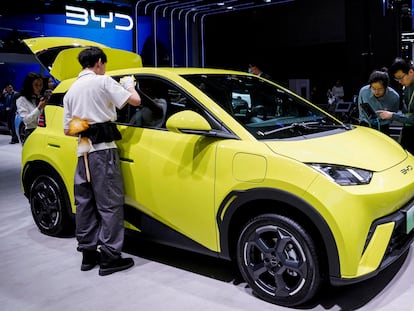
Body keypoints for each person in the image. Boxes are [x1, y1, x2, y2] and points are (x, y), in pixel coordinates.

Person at [63, 46, 141, 276]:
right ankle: (109, 258)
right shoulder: (102, 81)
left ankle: (88, 255)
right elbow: (134, 101)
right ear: (99, 62)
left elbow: (68, 130)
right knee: (109, 204)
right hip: (103, 151)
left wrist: (88, 126)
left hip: (83, 151)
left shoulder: (71, 91)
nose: (104, 68)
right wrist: (128, 84)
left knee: (85, 204)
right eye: (104, 64)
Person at [377, 57, 414, 154]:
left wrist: (392, 115)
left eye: (401, 77)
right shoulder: (407, 87)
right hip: (408, 130)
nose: (400, 82)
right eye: (397, 79)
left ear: (411, 72)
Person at [357, 69, 399, 135]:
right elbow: (361, 111)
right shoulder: (364, 92)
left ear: (386, 87)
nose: (376, 92)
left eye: (380, 89)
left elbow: (393, 115)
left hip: (383, 126)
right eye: (373, 88)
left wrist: (382, 121)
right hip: (366, 125)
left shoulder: (394, 97)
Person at [16, 72, 47, 144]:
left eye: (41, 85)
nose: (39, 88)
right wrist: (39, 108)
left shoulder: (41, 98)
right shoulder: (21, 99)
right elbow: (26, 120)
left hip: (44, 132)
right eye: (36, 85)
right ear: (29, 86)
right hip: (31, 132)